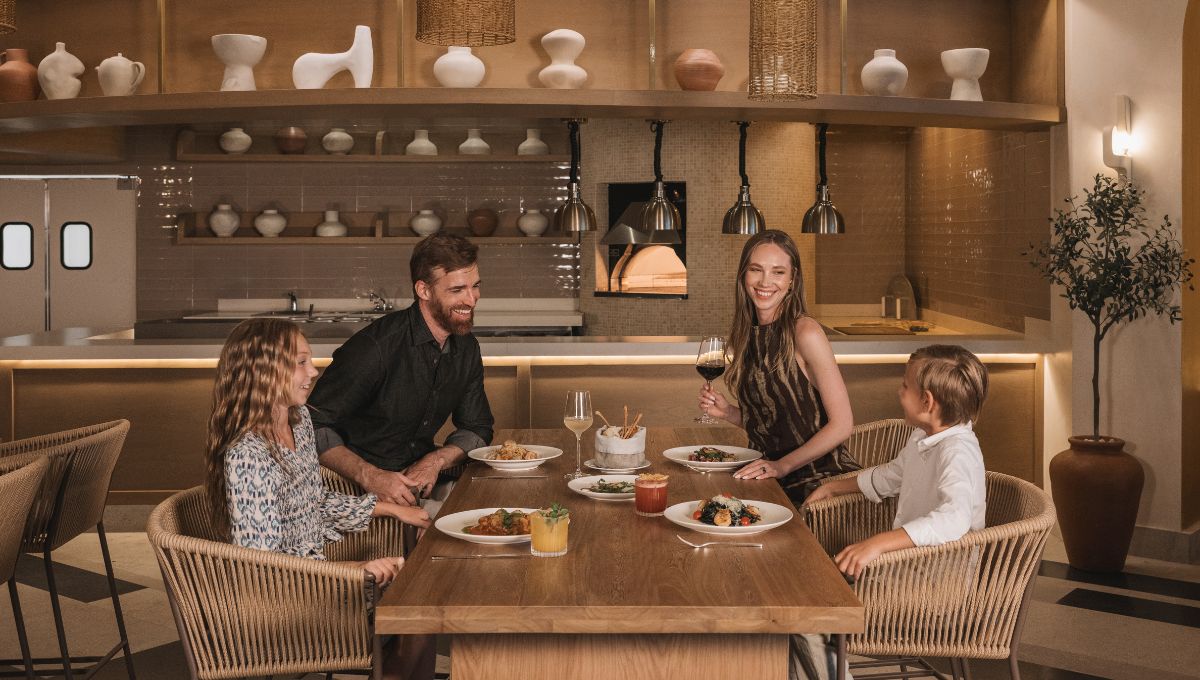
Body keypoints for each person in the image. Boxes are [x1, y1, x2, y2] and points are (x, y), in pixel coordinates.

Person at [204, 317, 435, 680]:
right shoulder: (248, 454)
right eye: (300, 362)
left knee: (424, 595)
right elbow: (263, 564)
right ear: (264, 370)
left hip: (317, 580)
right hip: (284, 602)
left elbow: (314, 502)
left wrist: (391, 508)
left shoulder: (300, 422)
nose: (313, 371)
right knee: (419, 609)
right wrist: (354, 571)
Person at [309, 233, 494, 508]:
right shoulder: (375, 348)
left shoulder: (466, 348)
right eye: (457, 290)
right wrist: (371, 476)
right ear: (424, 290)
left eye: (475, 286)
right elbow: (310, 424)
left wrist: (434, 461)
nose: (472, 299)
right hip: (352, 492)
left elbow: (477, 427)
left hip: (420, 484)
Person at [698, 229, 859, 505]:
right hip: (768, 478)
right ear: (743, 275)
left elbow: (842, 425)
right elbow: (773, 423)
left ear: (793, 280)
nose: (765, 281)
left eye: (778, 272)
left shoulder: (805, 333)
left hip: (818, 484)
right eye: (756, 270)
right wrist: (729, 413)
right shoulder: (746, 335)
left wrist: (782, 465)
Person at [806, 344, 989, 577]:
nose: (900, 391)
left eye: (905, 385)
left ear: (927, 402)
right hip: (907, 566)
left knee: (829, 587)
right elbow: (893, 475)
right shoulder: (923, 436)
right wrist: (832, 488)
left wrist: (878, 543)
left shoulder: (957, 452)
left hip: (939, 578)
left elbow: (954, 518)